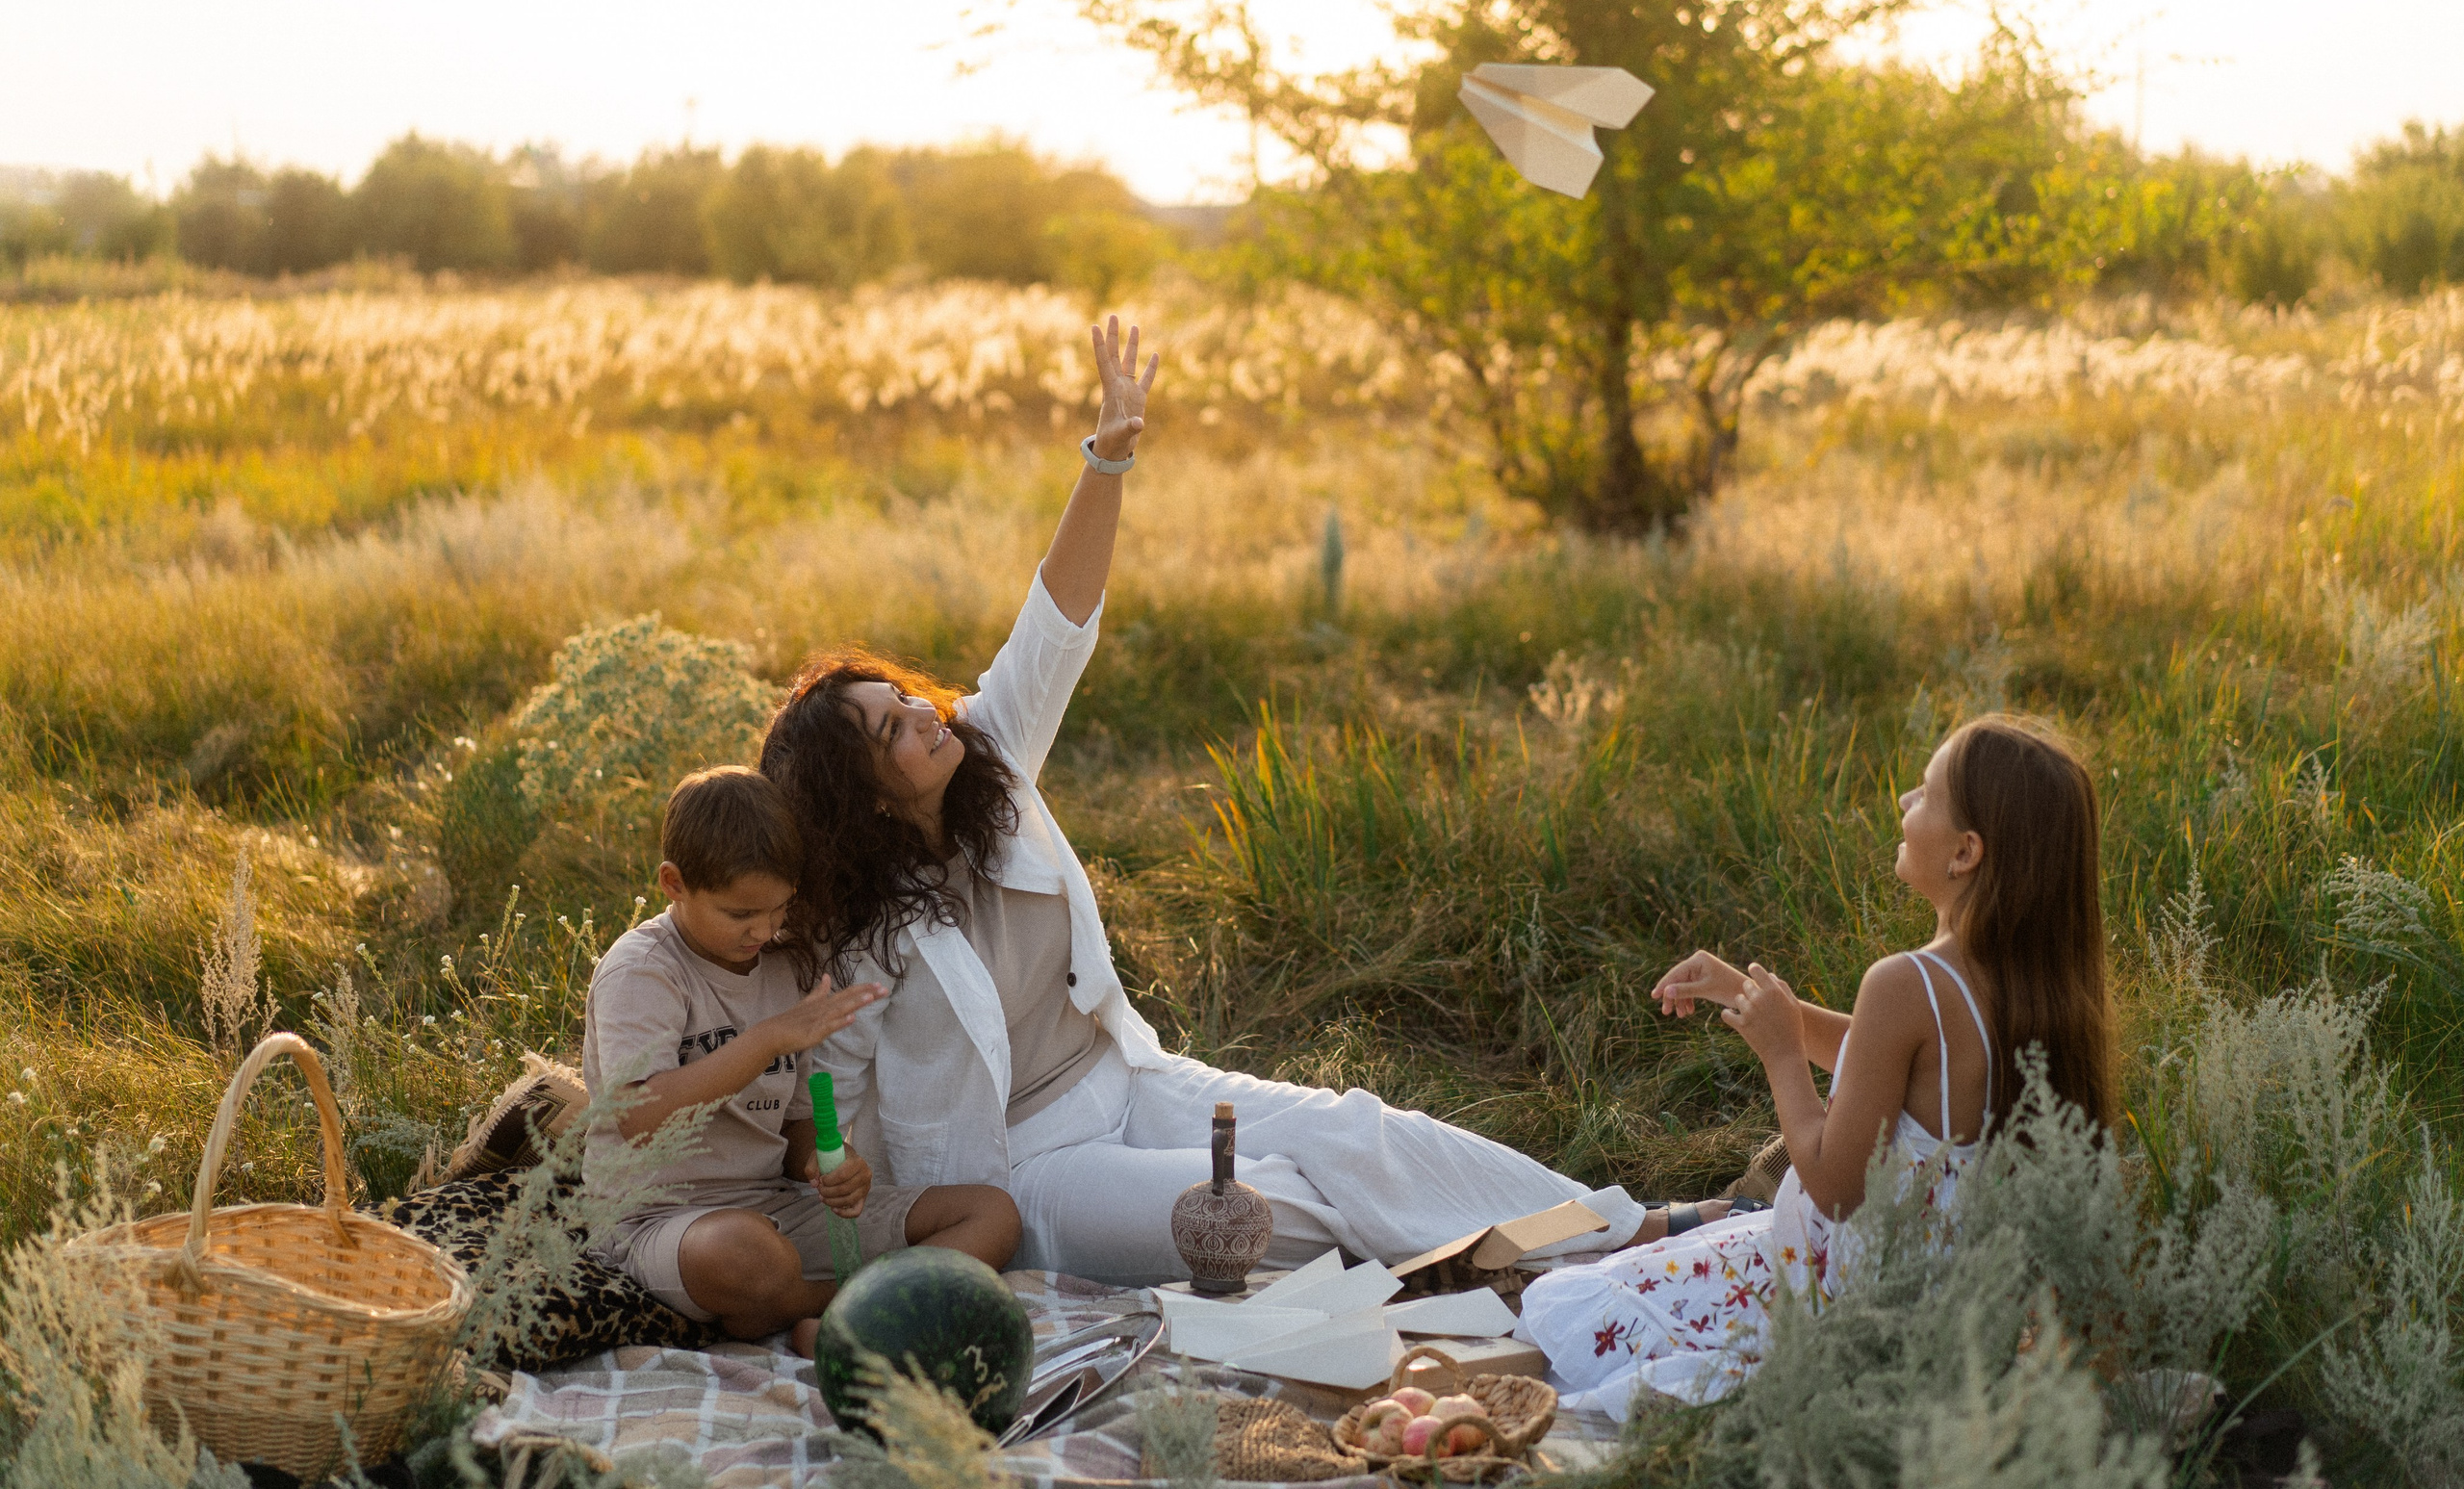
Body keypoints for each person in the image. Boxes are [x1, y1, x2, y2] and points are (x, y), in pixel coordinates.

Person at [757, 316, 1719, 1286]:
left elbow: (1059, 622)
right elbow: (833, 1118)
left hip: (1128, 1083)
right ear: (865, 802)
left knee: (1356, 1133)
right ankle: (1500, 1267)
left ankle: (1629, 1231)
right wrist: (850, 1219)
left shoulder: (987, 758)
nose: (924, 715)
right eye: (891, 731)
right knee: (1253, 1206)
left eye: (904, 698)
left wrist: (1107, 457)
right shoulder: (859, 945)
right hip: (1028, 1169)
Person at [1515, 715, 2119, 1414]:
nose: (1902, 802)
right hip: (1941, 1299)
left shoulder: (1906, 983)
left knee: (1585, 1298)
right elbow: (1886, 1066)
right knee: (1654, 1268)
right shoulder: (2033, 985)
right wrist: (1763, 1001)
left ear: (1965, 853)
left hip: (1846, 1290)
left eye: (1922, 794)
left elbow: (1835, 1185)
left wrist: (1779, 1051)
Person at [581, 765, 1019, 1353]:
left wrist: (830, 1162)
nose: (764, 929)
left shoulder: (783, 967)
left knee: (991, 1214)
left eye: (780, 908)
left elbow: (788, 1131)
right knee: (744, 1255)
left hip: (771, 1207)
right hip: (661, 1221)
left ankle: (840, 1314)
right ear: (673, 883)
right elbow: (637, 1118)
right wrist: (767, 1039)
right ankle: (860, 1310)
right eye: (740, 914)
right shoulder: (645, 971)